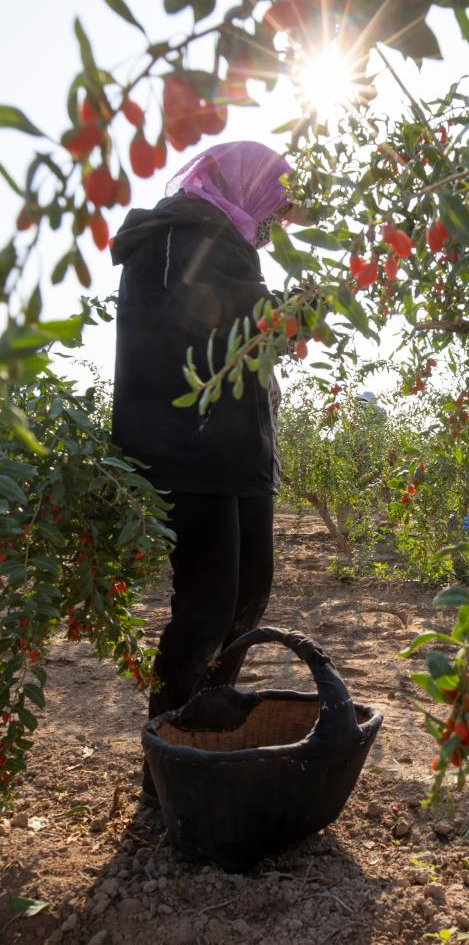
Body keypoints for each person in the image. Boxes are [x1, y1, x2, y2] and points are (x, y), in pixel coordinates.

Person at [110, 141, 307, 805]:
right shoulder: (171, 236)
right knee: (206, 605)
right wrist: (288, 310)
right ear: (241, 186)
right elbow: (205, 322)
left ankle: (210, 729)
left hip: (236, 452)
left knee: (251, 591)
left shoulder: (229, 237)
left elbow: (245, 334)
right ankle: (166, 767)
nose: (275, 219)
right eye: (273, 202)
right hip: (186, 452)